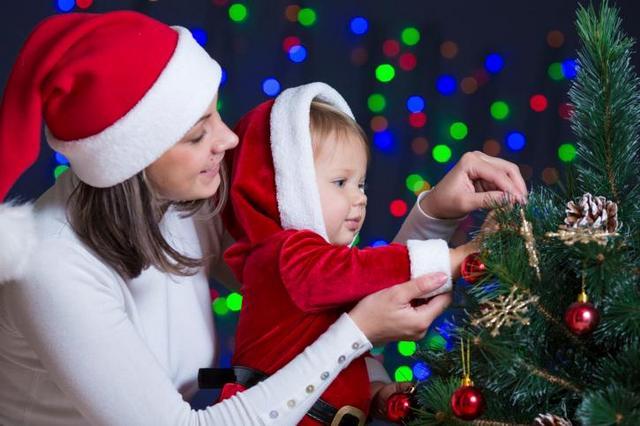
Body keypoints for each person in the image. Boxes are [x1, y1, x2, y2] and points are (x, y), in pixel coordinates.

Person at [0, 10, 527, 426]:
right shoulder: (54, 268)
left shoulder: (181, 197)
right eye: (196, 133)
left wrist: (433, 211)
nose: (227, 140)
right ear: (130, 158)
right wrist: (355, 334)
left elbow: (317, 285)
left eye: (216, 113)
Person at [216, 83, 479, 424]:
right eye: (341, 183)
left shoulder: (318, 263)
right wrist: (453, 259)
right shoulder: (283, 255)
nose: (360, 198)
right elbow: (360, 272)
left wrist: (374, 390)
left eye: (361, 184)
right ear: (288, 189)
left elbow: (331, 343)